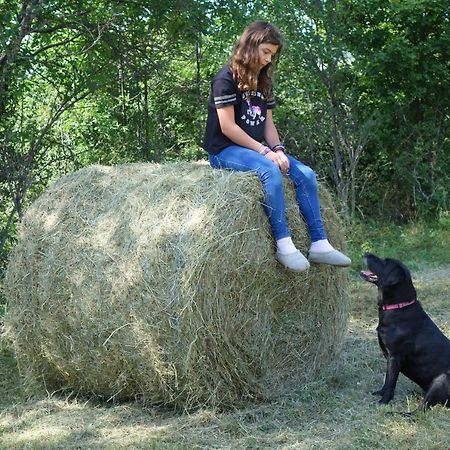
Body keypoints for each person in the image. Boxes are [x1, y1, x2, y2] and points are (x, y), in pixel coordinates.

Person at [203, 21, 351, 272]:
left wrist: (279, 149)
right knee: (269, 171)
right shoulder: (224, 79)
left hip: (254, 150)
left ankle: (319, 243)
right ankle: (284, 244)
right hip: (224, 151)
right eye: (266, 53)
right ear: (251, 46)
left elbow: (268, 126)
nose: (269, 60)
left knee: (305, 174)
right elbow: (228, 127)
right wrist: (265, 152)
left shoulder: (263, 82)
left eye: (272, 55)